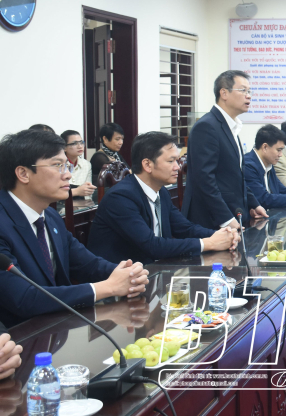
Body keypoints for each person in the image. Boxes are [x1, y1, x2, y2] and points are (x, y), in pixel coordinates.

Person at [0, 129, 149, 327]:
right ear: (23, 173)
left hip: (56, 329)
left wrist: (127, 275)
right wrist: (108, 287)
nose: (68, 175)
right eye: (57, 166)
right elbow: (25, 298)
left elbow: (86, 264)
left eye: (66, 166)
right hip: (19, 337)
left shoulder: (50, 216)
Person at [88, 132, 239, 265]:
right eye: (171, 161)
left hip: (154, 271)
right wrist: (209, 243)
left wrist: (224, 235)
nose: (177, 167)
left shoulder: (161, 192)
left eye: (177, 161)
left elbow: (185, 228)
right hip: (118, 280)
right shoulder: (120, 198)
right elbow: (152, 246)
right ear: (147, 164)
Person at [182, 70, 268, 230]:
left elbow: (236, 175)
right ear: (224, 93)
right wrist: (226, 219)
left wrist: (254, 204)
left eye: (249, 91)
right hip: (211, 221)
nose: (248, 96)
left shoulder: (231, 126)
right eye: (243, 90)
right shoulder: (207, 126)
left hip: (234, 214)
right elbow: (204, 179)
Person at [60, 130, 96, 200]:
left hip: (82, 204)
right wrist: (77, 191)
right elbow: (54, 193)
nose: (80, 146)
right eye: (74, 143)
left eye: (81, 142)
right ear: (64, 147)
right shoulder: (58, 165)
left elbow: (88, 193)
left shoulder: (86, 164)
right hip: (62, 204)